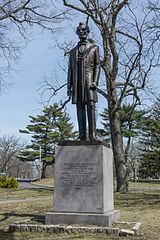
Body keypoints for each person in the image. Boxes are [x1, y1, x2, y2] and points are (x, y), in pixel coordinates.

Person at [67, 22, 100, 140]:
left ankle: (92, 134)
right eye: (79, 30)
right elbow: (70, 70)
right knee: (79, 108)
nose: (82, 32)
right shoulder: (72, 52)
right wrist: (68, 87)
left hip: (89, 82)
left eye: (84, 30)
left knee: (91, 107)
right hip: (77, 84)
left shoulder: (94, 48)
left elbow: (97, 66)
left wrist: (95, 81)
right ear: (77, 32)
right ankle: (82, 135)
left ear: (88, 31)